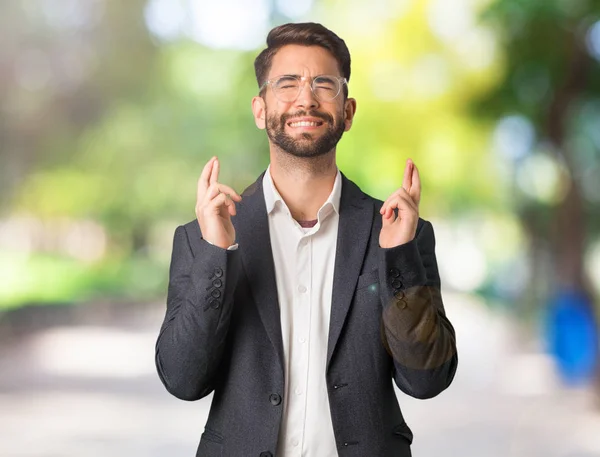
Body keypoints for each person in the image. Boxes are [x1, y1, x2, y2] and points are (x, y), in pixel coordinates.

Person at [155, 22, 458, 457]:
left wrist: (398, 257)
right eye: (288, 83)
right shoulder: (203, 236)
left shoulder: (399, 231)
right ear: (260, 109)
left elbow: (427, 380)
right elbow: (183, 380)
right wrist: (216, 255)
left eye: (323, 83)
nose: (306, 98)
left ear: (348, 111)